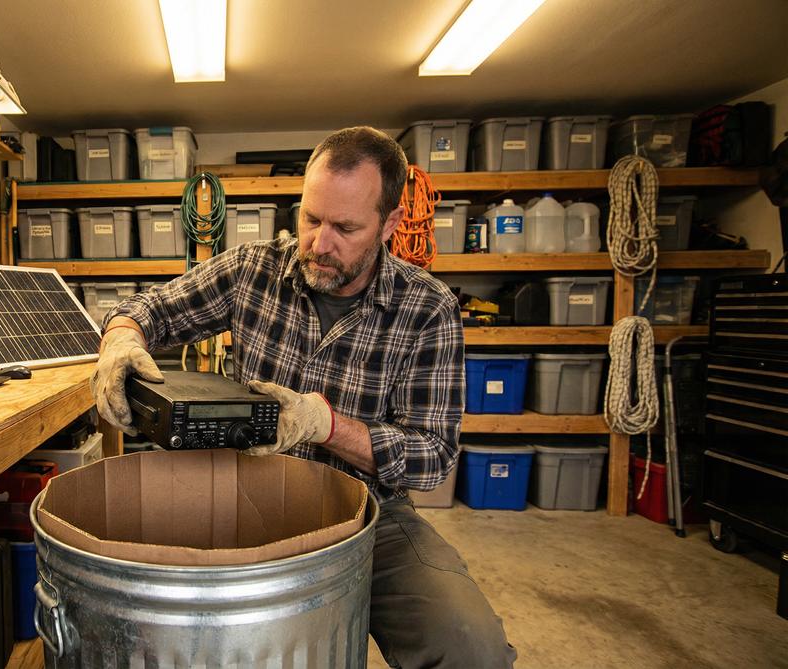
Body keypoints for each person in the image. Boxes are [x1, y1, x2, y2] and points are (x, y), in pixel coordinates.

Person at [91, 126, 515, 668]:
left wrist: (326, 425)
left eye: (345, 227)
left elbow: (433, 456)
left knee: (471, 651)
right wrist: (122, 338)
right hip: (244, 490)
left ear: (389, 224)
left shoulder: (427, 308)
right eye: (311, 218)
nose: (319, 243)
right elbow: (151, 308)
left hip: (365, 512)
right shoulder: (253, 270)